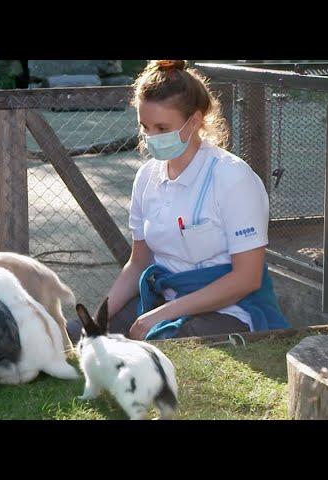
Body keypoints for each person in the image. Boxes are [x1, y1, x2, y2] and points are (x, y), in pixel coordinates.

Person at [68, 60, 288, 342]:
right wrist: (100, 317)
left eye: (162, 127)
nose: (151, 137)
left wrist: (162, 315)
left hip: (230, 308)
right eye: (145, 127)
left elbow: (247, 279)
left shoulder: (232, 177)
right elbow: (138, 264)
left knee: (164, 345)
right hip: (163, 302)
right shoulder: (146, 177)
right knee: (76, 336)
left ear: (194, 121)